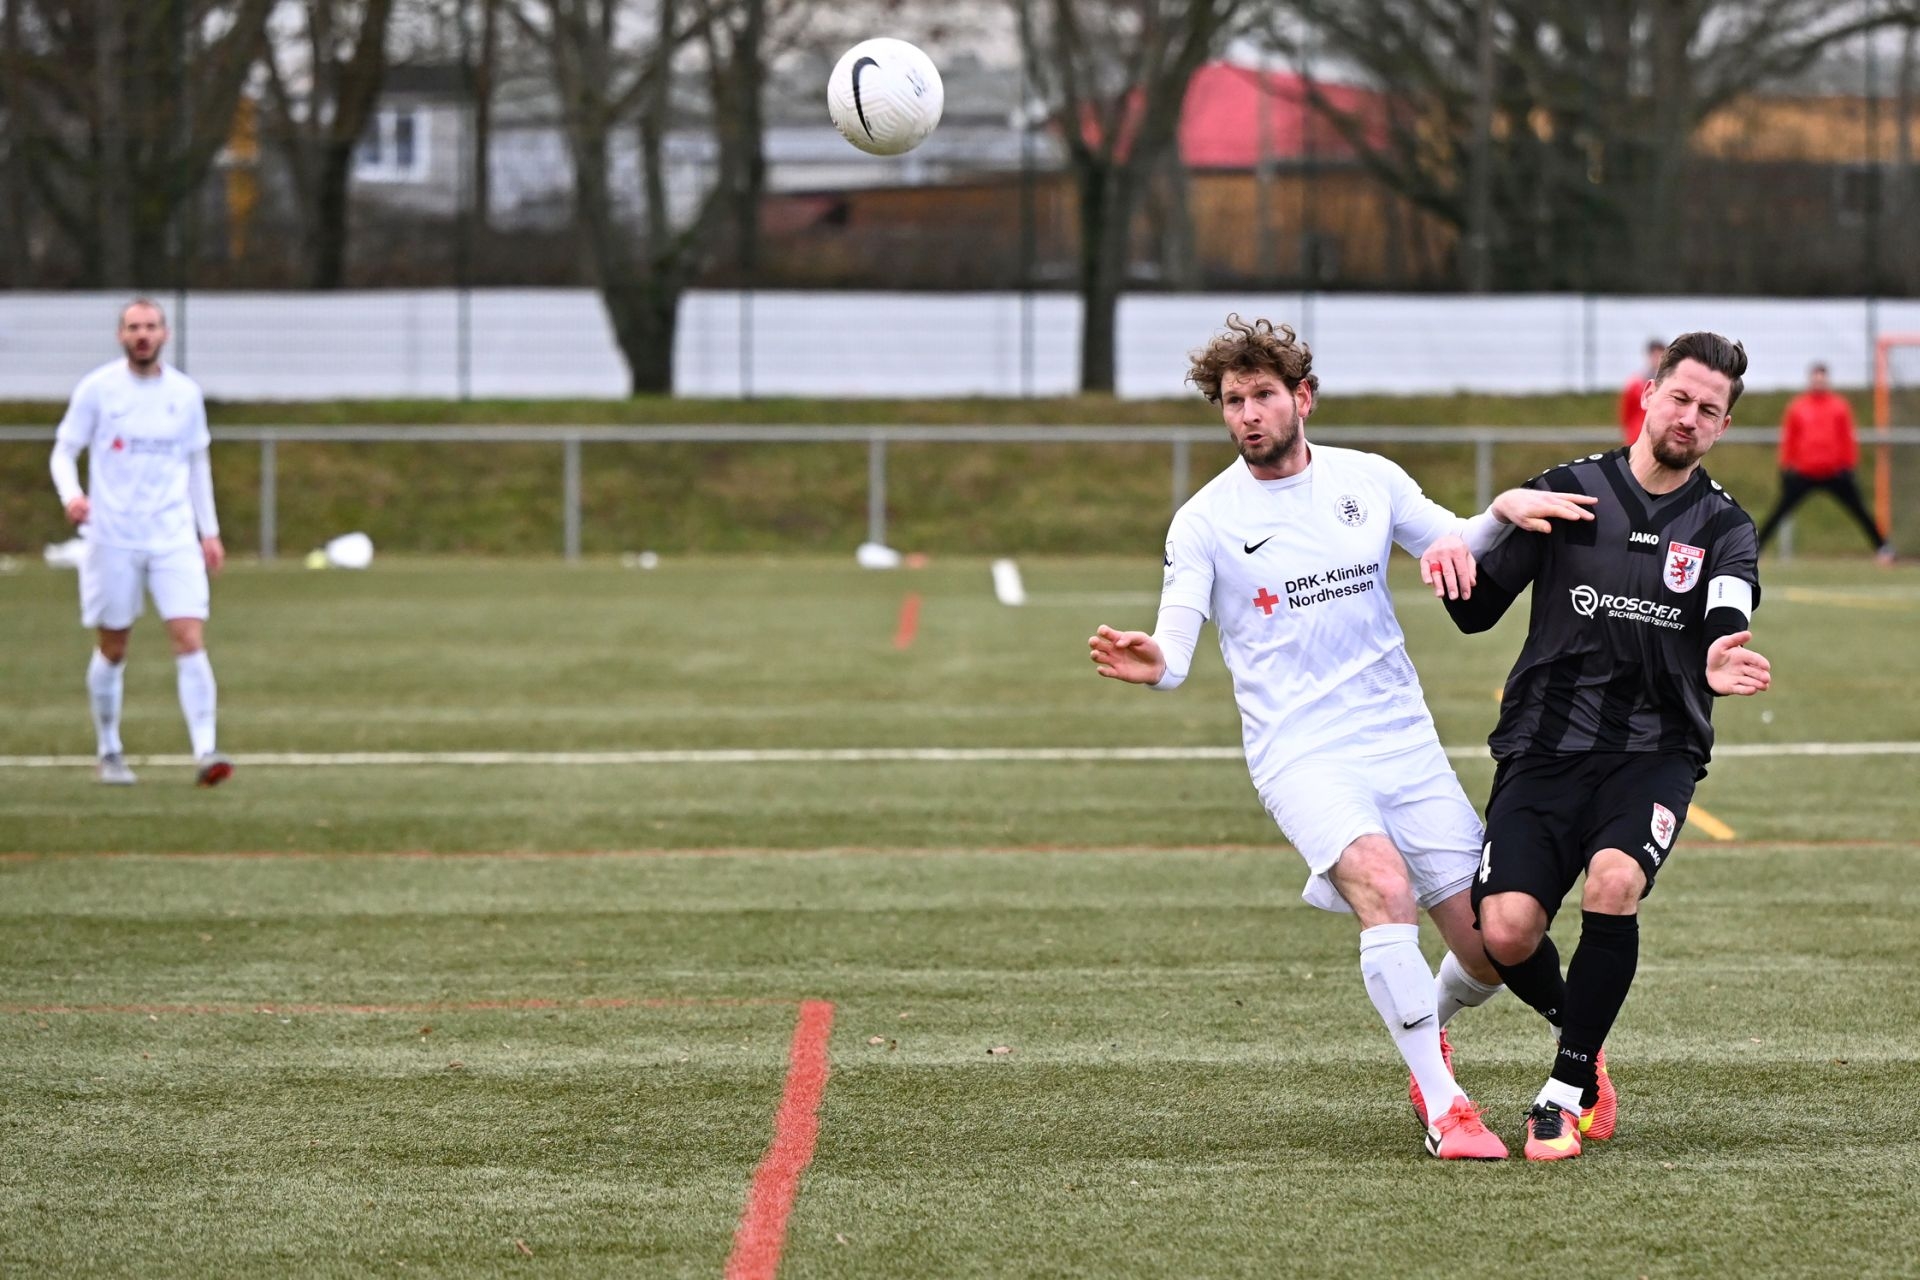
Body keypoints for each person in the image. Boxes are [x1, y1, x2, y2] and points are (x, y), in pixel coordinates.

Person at [1088, 315, 1596, 1162]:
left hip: (1401, 736)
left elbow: (1451, 541)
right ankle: (1447, 1112)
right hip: (1301, 752)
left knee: (1491, 942)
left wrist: (1499, 511)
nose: (1247, 414)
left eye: (1261, 395)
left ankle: (1422, 1034)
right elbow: (1174, 643)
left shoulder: (1367, 478)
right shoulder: (1205, 519)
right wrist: (1157, 661)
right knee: (1383, 887)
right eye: (1231, 401)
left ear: (1303, 398)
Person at [1439, 331, 1771, 1161]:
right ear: (1650, 393)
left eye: (1710, 410)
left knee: (1615, 882)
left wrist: (1726, 647)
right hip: (1544, 746)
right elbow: (1477, 612)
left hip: (1655, 750)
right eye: (1681, 398)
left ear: (1723, 426)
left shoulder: (1724, 525)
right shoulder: (1569, 493)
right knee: (1506, 931)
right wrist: (1456, 551)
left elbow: (1729, 606)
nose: (1690, 417)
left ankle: (1564, 1084)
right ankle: (1584, 1026)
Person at [49, 299, 233, 787]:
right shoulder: (98, 389)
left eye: (150, 326)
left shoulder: (185, 395)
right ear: (121, 336)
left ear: (165, 334)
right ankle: (109, 749)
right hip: (111, 537)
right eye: (134, 327)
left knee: (189, 636)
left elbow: (198, 465)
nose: (143, 335)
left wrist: (208, 531)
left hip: (172, 536)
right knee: (113, 645)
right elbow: (64, 452)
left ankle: (206, 750)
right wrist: (73, 497)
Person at [1755, 362, 1894, 564]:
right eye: (1815, 379)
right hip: (1805, 471)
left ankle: (1883, 548)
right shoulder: (1798, 407)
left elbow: (1846, 438)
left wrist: (1848, 465)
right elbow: (1790, 439)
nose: (1818, 383)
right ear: (1810, 380)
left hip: (1834, 472)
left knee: (1859, 510)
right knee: (1779, 511)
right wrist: (1786, 466)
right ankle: (1754, 550)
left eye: (1822, 379)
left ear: (1827, 381)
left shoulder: (1839, 406)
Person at [1617, 338, 1666, 445]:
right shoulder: (1635, 384)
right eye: (1654, 355)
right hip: (1637, 436)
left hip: (1660, 437)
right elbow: (1626, 412)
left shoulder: (1669, 384)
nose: (1657, 359)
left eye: (1660, 355)